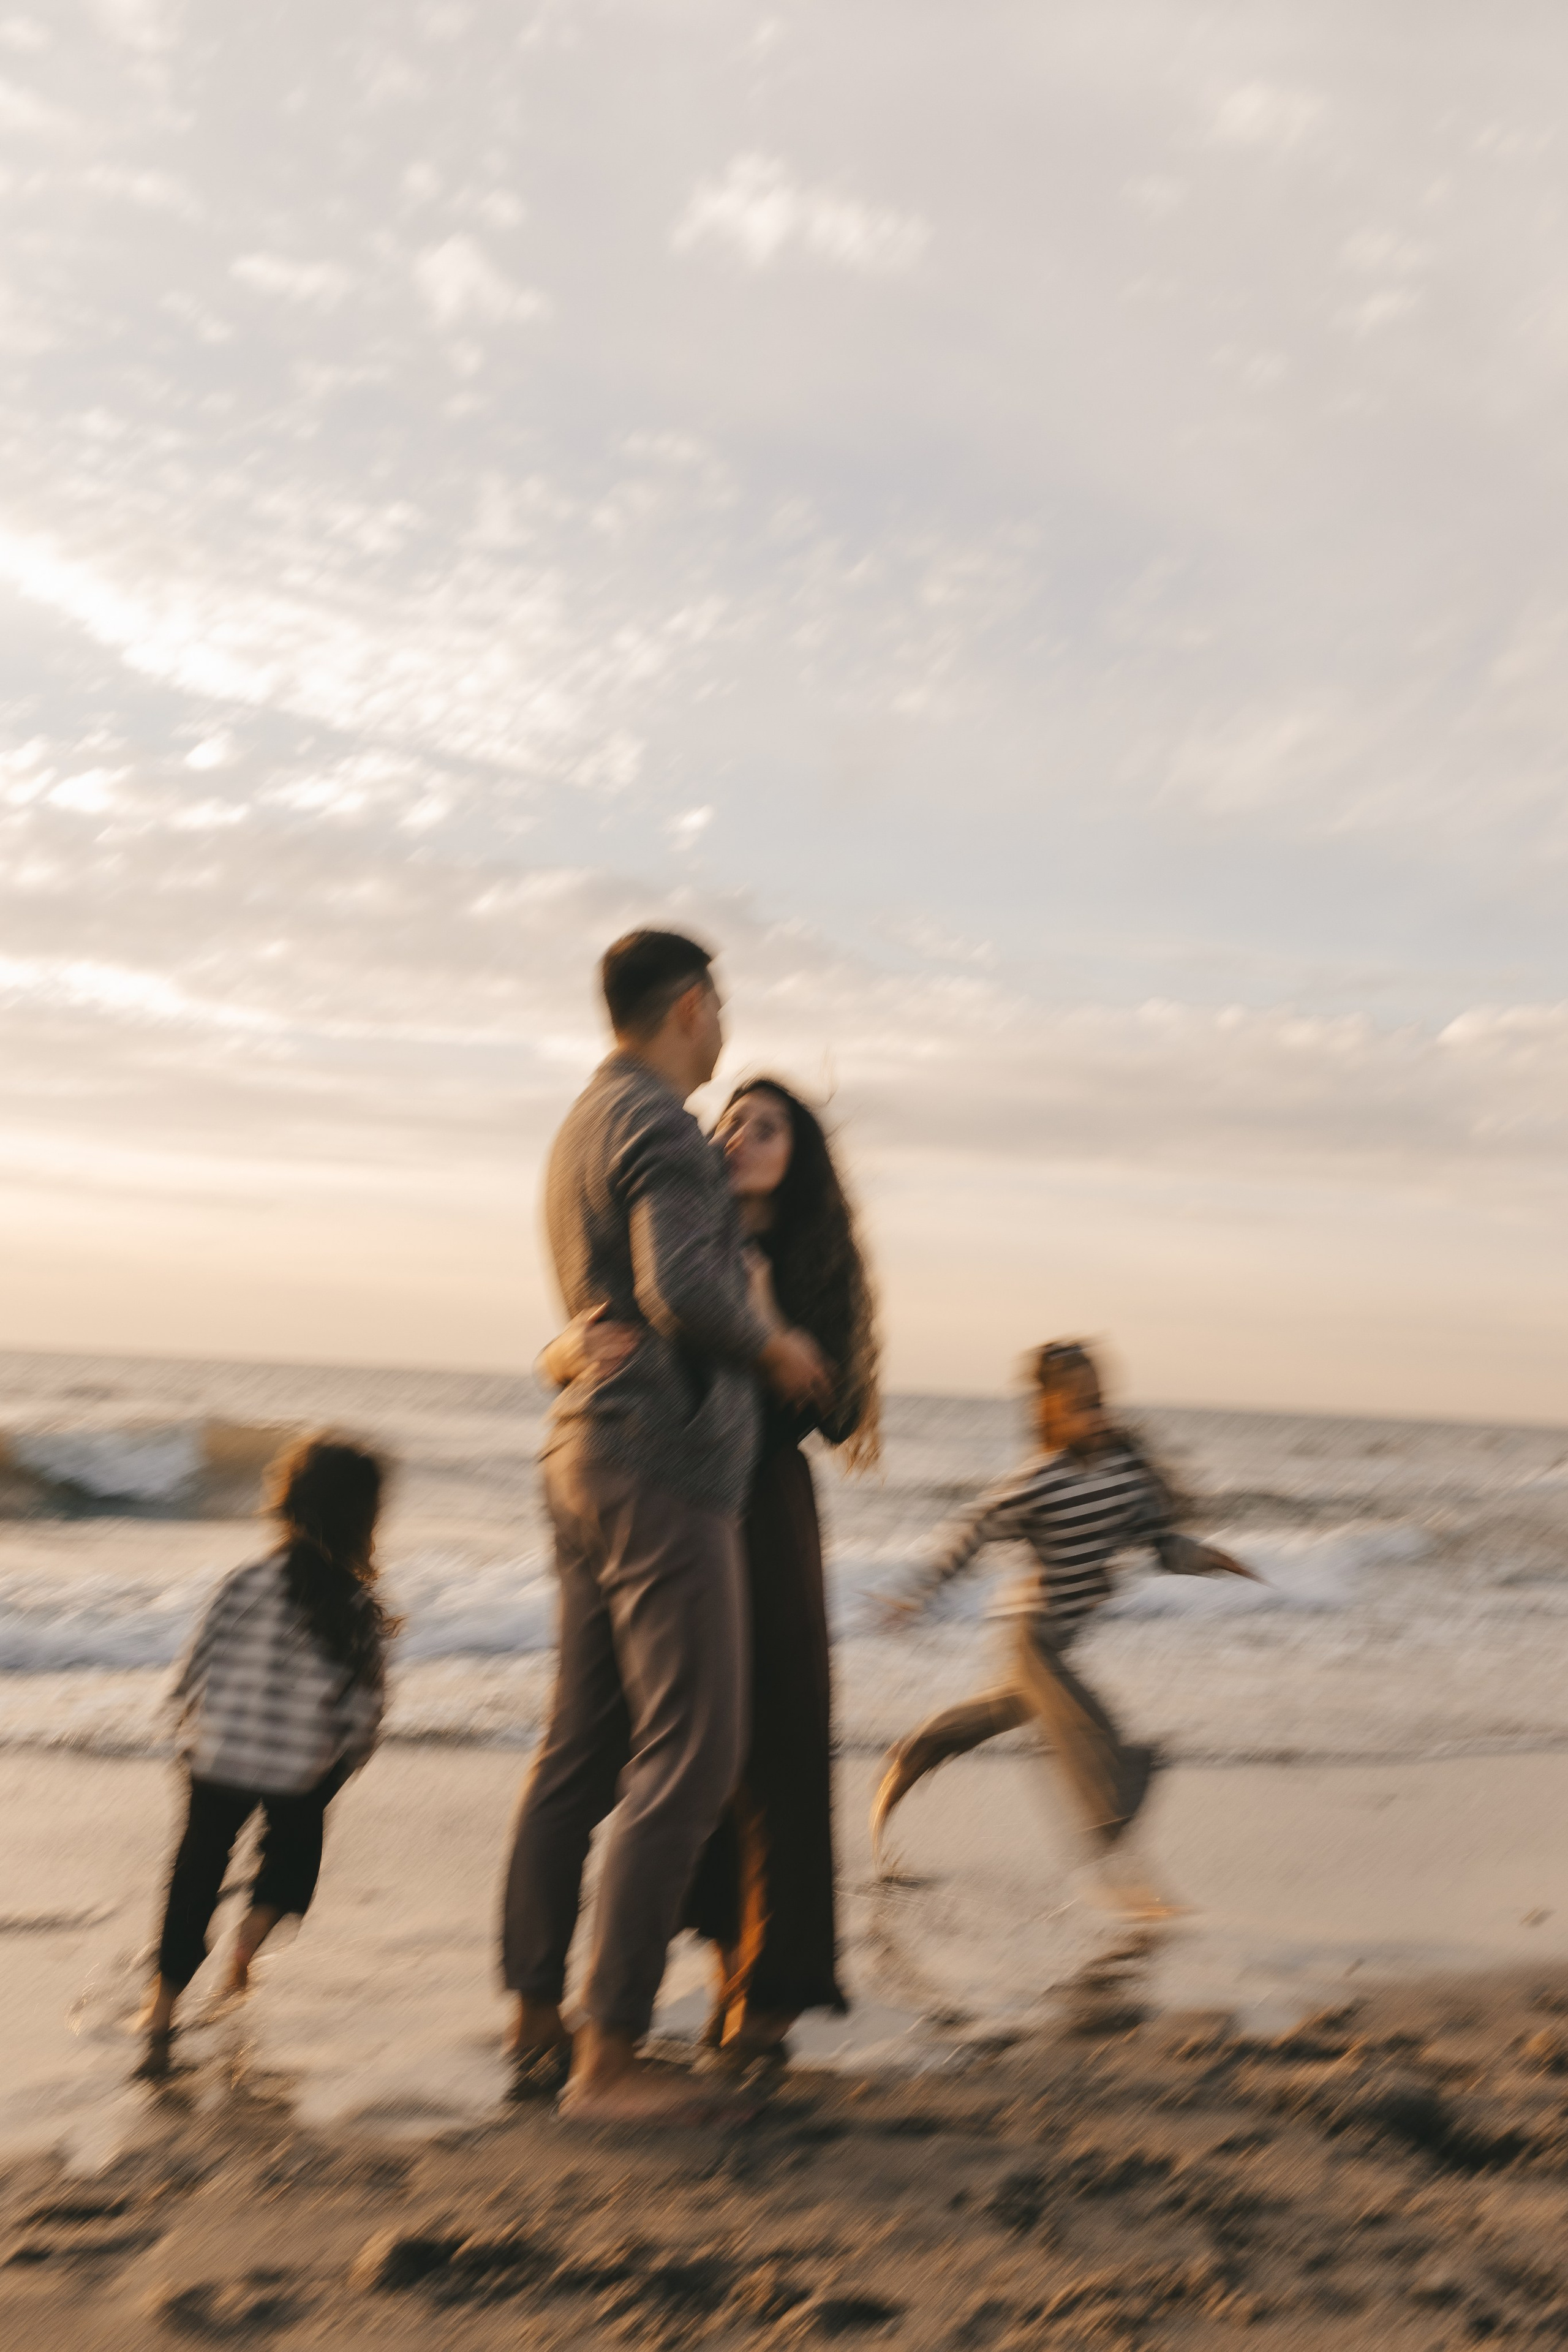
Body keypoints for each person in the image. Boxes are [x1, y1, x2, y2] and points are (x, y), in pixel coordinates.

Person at [501, 929, 832, 2124]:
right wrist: (776, 1343)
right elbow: (675, 1291)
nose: (724, 1030)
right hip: (661, 1467)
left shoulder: (580, 1125)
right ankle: (609, 2059)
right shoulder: (658, 1126)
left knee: (579, 1749)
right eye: (721, 1007)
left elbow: (595, 1302)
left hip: (585, 1457)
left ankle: (536, 2013)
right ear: (691, 1006)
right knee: (688, 1754)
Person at [548, 1078, 880, 2070]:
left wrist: (771, 1315)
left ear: (800, 1155)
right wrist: (564, 1352)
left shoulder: (808, 1261)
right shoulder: (678, 1234)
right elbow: (597, 1343)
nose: (738, 1135)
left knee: (777, 1746)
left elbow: (842, 1409)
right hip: (679, 1495)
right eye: (732, 1119)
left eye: (766, 1126)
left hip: (764, 1514)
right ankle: (708, 1964)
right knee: (689, 1747)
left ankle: (766, 1994)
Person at [873, 1341, 1259, 1906]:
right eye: (1079, 1403)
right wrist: (919, 1593)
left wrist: (1208, 1560)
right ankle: (1120, 1872)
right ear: (1047, 1412)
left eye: (1100, 1400)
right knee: (1093, 1732)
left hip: (1064, 1636)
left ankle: (919, 1747)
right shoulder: (1041, 1483)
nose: (1095, 1413)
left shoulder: (1124, 1479)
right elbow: (974, 1531)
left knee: (998, 1713)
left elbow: (1157, 1543)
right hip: (1031, 1637)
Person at [137, 1434, 394, 2073]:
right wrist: (346, 1762)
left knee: (194, 1873)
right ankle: (246, 1947)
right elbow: (364, 1712)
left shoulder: (242, 1582)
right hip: (299, 1769)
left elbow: (192, 1671)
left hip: (216, 1757)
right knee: (292, 1859)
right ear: (365, 1519)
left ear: (287, 1501)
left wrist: (188, 1732)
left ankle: (160, 2009)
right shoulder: (356, 1609)